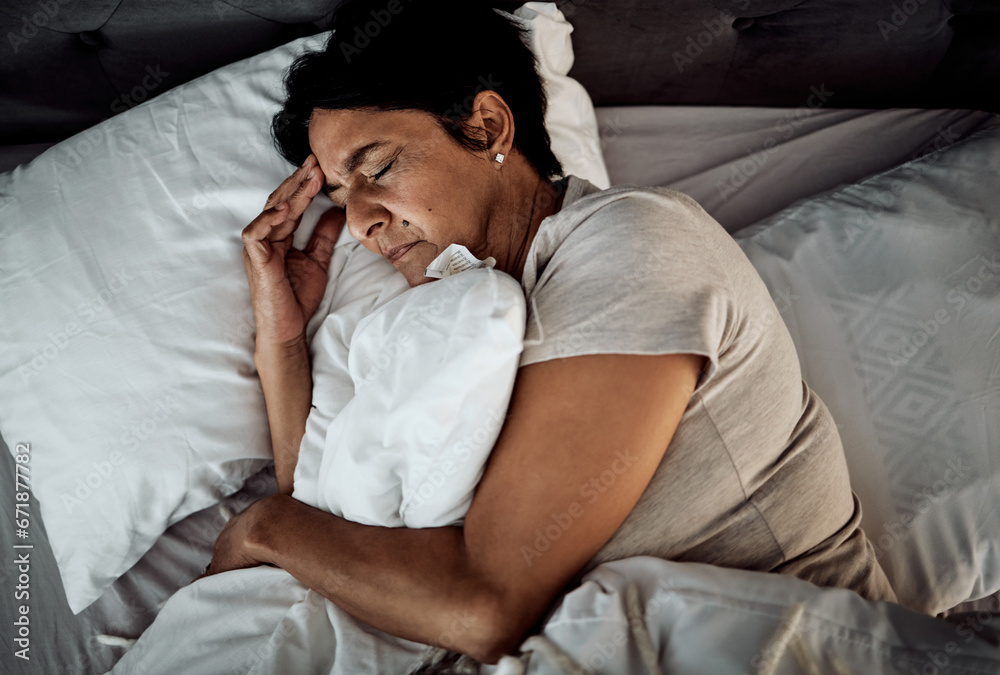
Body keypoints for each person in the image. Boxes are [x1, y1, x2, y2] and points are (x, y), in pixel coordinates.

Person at [206, 0, 897, 666]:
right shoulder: (458, 318)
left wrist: (261, 528)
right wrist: (285, 337)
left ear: (486, 126)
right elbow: (337, 510)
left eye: (378, 170)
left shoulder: (631, 244)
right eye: (337, 197)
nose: (360, 223)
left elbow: (483, 605)